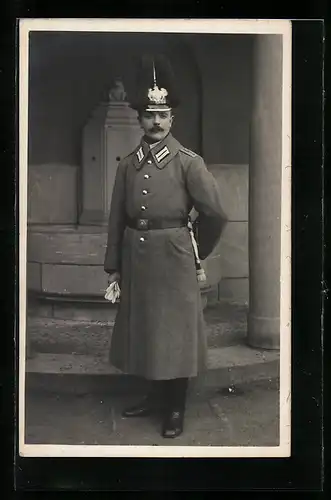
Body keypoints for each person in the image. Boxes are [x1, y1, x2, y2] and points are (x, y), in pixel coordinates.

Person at [104, 54, 227, 438]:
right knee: (146, 331)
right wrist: (114, 264)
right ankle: (154, 397)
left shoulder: (189, 163)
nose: (156, 122)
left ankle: (175, 408)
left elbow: (216, 214)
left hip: (174, 257)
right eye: (148, 114)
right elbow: (116, 217)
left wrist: (195, 251)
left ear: (173, 118)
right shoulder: (128, 164)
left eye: (163, 114)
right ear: (139, 118)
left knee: (174, 334)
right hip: (137, 257)